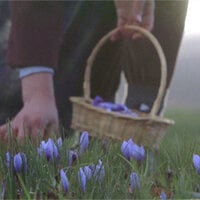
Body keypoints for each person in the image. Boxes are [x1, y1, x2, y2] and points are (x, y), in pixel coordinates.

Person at [0, 1, 188, 141]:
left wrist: (143, 105)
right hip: (30, 22)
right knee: (27, 125)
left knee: (58, 141)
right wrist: (37, 91)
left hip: (101, 23)